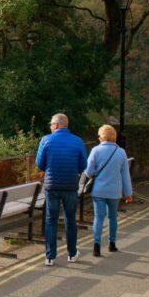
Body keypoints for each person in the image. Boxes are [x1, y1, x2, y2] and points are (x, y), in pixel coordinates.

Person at [35, 113, 87, 266]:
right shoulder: (78, 141)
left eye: (51, 124)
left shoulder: (45, 140)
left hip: (52, 186)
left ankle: (50, 257)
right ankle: (71, 254)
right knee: (70, 220)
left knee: (51, 220)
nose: (50, 127)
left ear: (56, 125)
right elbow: (83, 165)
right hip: (71, 186)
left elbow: (39, 163)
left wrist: (51, 168)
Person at [85, 124, 133, 257]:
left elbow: (89, 172)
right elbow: (125, 174)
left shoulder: (95, 150)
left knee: (98, 218)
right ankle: (112, 244)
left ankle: (96, 246)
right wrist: (128, 193)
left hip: (99, 190)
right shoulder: (121, 152)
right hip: (115, 191)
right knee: (112, 217)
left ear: (101, 137)